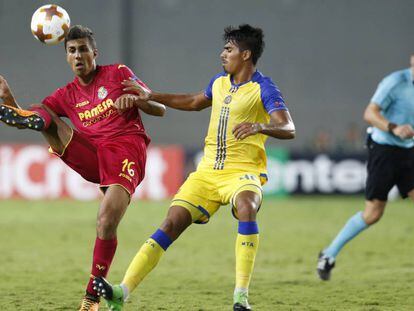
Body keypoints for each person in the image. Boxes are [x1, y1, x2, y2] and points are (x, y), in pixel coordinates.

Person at [93, 24, 296, 311]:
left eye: (229, 49)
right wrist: (149, 95)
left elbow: (288, 127)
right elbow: (192, 101)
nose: (222, 53)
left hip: (242, 172)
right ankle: (121, 292)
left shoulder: (263, 87)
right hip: (207, 173)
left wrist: (260, 126)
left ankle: (241, 297)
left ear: (246, 54)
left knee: (248, 206)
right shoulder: (219, 83)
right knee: (170, 222)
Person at [0, 25, 165, 310]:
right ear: (66, 57)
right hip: (93, 156)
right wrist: (8, 101)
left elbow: (159, 108)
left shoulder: (118, 73)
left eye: (83, 50)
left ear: (94, 53)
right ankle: (25, 116)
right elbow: (39, 113)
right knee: (42, 111)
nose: (78, 56)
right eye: (72, 51)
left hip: (126, 151)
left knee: (105, 222)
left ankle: (91, 298)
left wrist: (139, 99)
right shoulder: (67, 94)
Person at [317, 55, 414, 281]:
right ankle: (328, 254)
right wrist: (394, 128)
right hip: (384, 149)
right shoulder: (395, 82)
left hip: (410, 150)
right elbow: (369, 113)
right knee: (373, 214)